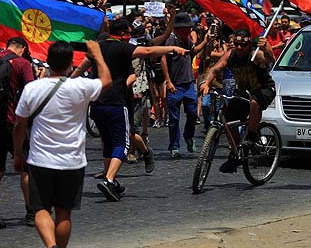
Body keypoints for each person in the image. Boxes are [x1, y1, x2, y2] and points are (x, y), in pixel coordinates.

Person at [71, 18, 188, 202]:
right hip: (117, 103)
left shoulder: (97, 47)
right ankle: (109, 180)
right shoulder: (123, 47)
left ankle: (112, 180)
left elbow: (80, 68)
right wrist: (173, 49)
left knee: (108, 142)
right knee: (122, 144)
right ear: (124, 34)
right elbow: (148, 51)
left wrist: (65, 83)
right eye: (128, 33)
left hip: (97, 104)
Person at [12, 41, 111, 248]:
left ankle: (51, 246)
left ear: (48, 62)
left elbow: (19, 125)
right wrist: (97, 54)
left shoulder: (32, 88)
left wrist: (18, 154)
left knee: (40, 209)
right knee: (64, 213)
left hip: (40, 160)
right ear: (70, 65)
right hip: (72, 162)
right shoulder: (82, 86)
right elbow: (106, 81)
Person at [199, 29, 276, 173]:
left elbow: (270, 60)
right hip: (243, 92)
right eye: (236, 44)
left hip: (264, 89)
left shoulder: (256, 55)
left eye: (243, 45)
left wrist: (268, 49)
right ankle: (235, 153)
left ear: (249, 45)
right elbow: (215, 69)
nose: (239, 48)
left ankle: (252, 136)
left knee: (255, 102)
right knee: (227, 120)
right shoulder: (230, 54)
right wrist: (206, 83)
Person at [0, 37, 37, 230]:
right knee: (24, 169)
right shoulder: (22, 63)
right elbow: (31, 92)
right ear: (22, 49)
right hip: (13, 123)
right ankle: (31, 213)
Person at [161, 12, 209, 158]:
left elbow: (192, 52)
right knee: (174, 118)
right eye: (187, 27)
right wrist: (168, 81)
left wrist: (206, 41)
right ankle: (174, 146)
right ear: (179, 28)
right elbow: (163, 59)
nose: (190, 30)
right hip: (175, 85)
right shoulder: (171, 40)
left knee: (193, 113)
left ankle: (188, 136)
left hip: (188, 84)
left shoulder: (186, 38)